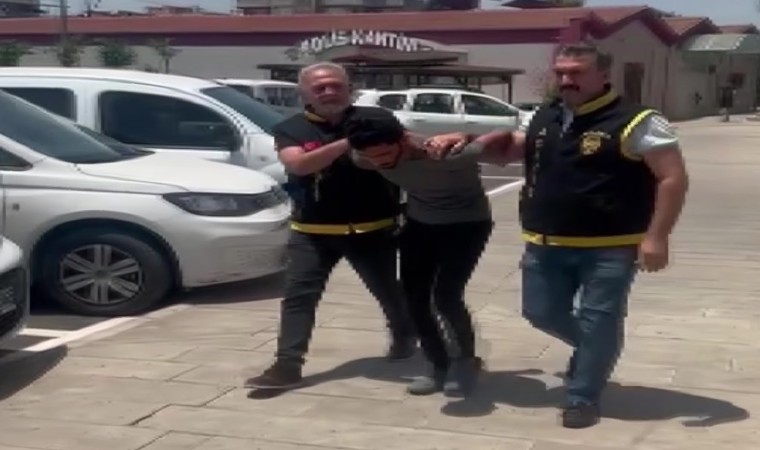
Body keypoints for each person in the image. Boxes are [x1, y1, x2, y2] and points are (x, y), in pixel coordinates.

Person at [426, 41, 689, 428]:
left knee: (599, 318)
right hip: (545, 241)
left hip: (610, 247)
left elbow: (672, 178)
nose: (566, 80)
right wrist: (466, 139)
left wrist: (657, 237)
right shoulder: (548, 112)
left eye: (576, 72)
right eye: (561, 72)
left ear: (603, 74)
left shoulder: (638, 120)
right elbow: (518, 148)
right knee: (540, 312)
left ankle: (583, 396)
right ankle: (595, 350)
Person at [245, 62, 416, 391]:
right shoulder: (290, 128)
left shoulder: (377, 118)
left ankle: (404, 335)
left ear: (349, 88)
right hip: (313, 232)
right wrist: (348, 143)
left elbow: (405, 149)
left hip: (373, 228)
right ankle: (287, 366)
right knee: (298, 298)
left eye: (336, 85)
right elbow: (299, 164)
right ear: (305, 93)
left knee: (388, 291)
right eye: (320, 87)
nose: (329, 92)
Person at [344, 108, 496, 397]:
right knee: (414, 299)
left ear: (402, 140)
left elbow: (504, 138)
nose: (380, 162)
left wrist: (465, 135)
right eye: (372, 157)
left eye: (385, 154)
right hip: (420, 224)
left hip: (467, 224)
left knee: (446, 296)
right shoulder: (361, 158)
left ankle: (465, 362)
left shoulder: (449, 153)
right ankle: (438, 364)